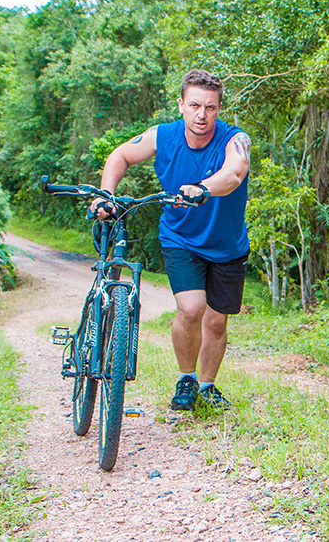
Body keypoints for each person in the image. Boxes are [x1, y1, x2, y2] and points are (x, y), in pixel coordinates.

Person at [89, 69, 251, 411]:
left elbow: (236, 171)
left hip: (227, 245)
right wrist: (106, 193)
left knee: (217, 320)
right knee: (191, 309)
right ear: (181, 105)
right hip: (181, 238)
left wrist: (203, 188)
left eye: (209, 107)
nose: (201, 114)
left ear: (219, 108)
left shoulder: (235, 139)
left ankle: (207, 387)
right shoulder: (162, 136)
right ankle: (186, 379)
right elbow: (120, 155)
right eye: (194, 105)